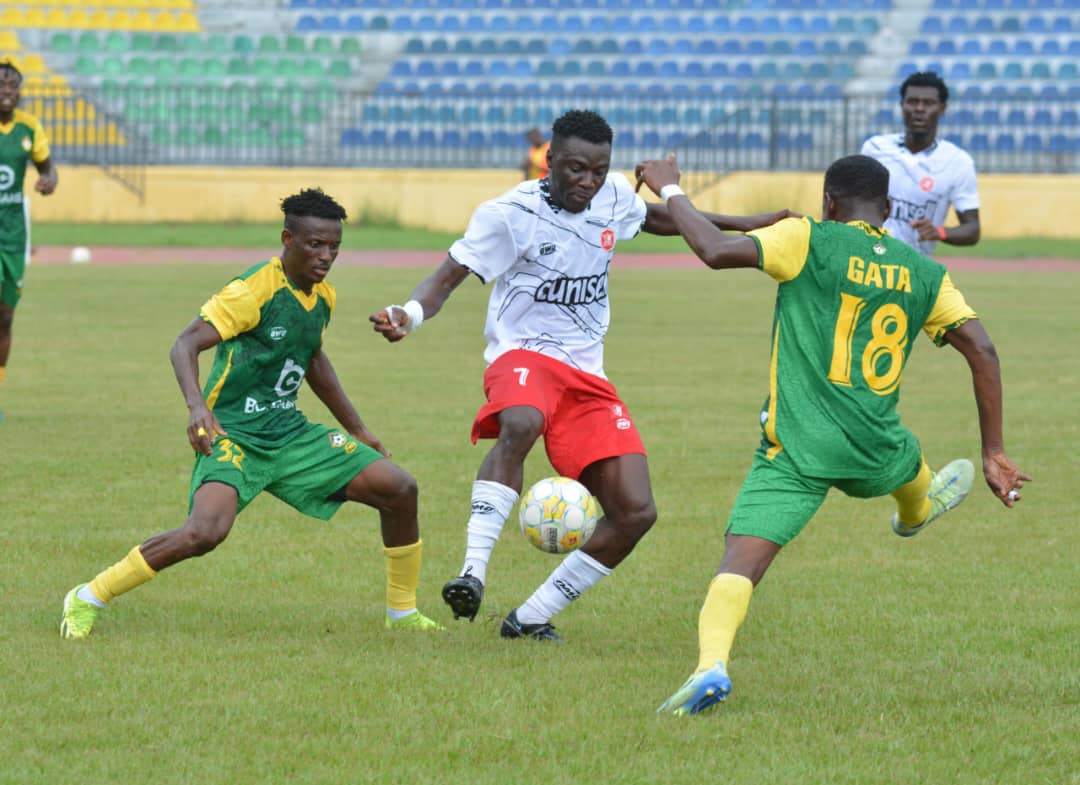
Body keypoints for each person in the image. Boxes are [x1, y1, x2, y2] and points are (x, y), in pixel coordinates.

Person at [370, 109, 793, 642]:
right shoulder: (508, 214)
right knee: (520, 423)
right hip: (523, 356)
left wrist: (747, 223)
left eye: (598, 170)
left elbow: (655, 219)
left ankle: (528, 619)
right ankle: (472, 572)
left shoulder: (614, 196)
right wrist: (408, 315)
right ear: (550, 161)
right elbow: (447, 276)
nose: (587, 183)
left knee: (635, 512)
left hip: (586, 374)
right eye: (575, 170)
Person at [632, 153, 1029, 714]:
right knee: (908, 462)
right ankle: (917, 510)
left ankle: (710, 667)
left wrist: (672, 188)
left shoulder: (807, 238)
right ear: (888, 212)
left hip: (796, 447)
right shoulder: (925, 272)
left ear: (828, 203)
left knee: (740, 561)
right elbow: (982, 349)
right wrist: (993, 450)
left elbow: (714, 252)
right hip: (875, 445)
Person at [60, 188, 442, 639]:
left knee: (400, 489)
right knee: (204, 533)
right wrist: (197, 408)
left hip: (290, 433)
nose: (326, 256)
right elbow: (185, 344)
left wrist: (359, 430)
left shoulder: (323, 297)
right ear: (288, 239)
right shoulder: (252, 290)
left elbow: (311, 357)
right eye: (315, 245)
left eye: (334, 247)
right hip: (233, 434)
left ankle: (402, 614)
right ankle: (87, 596)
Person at [861, 71, 980, 255]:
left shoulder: (958, 162)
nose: (919, 108)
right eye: (912, 101)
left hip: (914, 269)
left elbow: (972, 229)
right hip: (869, 259)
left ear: (942, 109)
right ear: (902, 105)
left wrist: (939, 232)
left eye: (929, 103)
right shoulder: (875, 149)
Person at [0, 56, 58, 419]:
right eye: (2, 86)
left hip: (12, 237)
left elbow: (48, 169)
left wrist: (49, 181)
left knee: (4, 316)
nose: (8, 92)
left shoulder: (29, 128)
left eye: (13, 86)